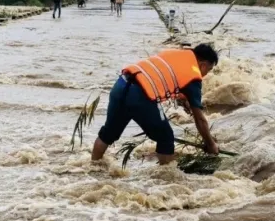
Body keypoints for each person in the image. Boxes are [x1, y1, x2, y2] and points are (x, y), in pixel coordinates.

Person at [91, 44, 220, 165]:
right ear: (202, 65)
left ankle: (93, 167)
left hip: (121, 85)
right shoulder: (194, 77)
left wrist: (184, 99)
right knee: (166, 138)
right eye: (208, 70)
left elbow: (164, 76)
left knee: (107, 134)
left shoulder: (175, 54)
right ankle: (165, 181)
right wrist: (210, 144)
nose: (206, 74)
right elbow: (200, 120)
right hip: (140, 97)